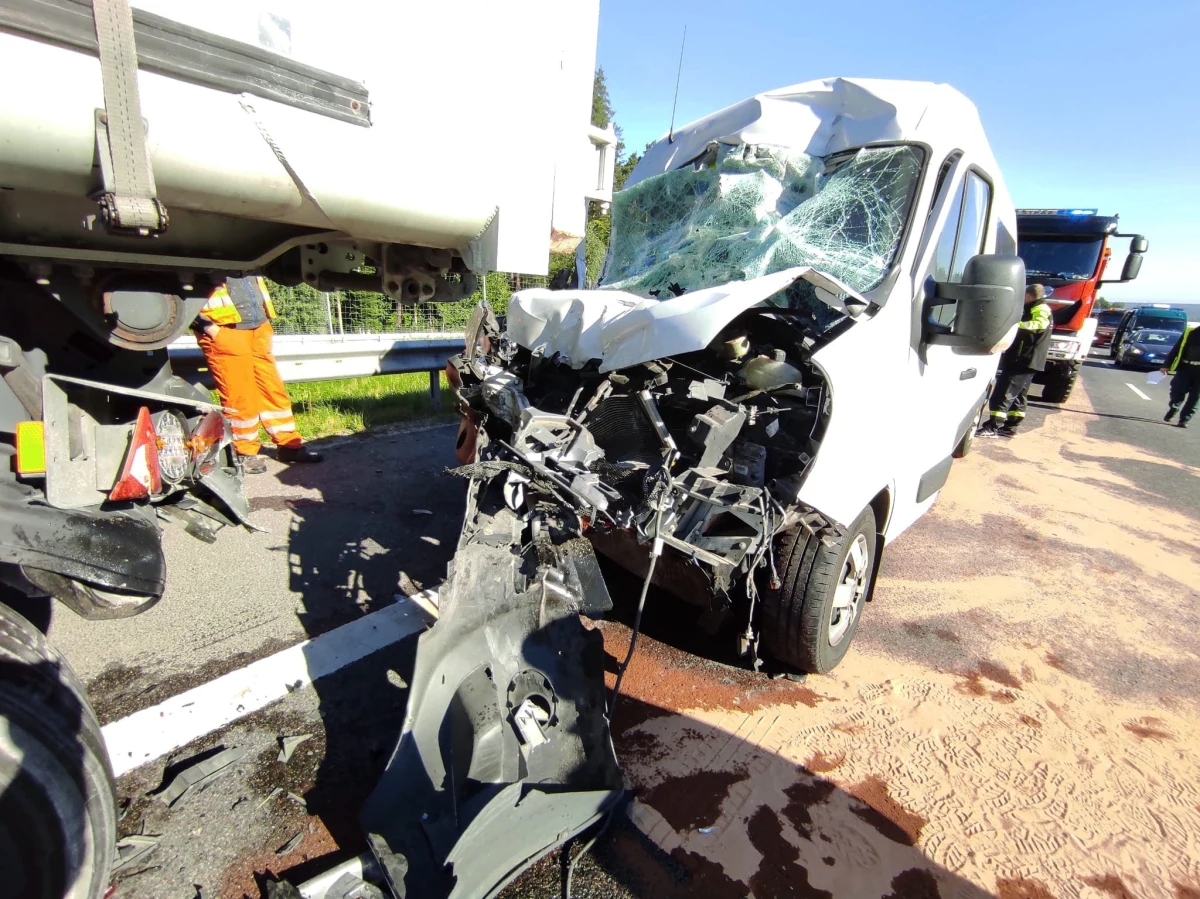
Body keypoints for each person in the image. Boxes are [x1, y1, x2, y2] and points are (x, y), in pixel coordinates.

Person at [193, 276, 322, 473]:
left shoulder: (246, 251)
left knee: (273, 391)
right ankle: (244, 453)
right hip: (226, 331)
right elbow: (179, 293)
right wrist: (208, 328)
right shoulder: (201, 249)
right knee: (240, 397)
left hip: (258, 327)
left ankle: (289, 446)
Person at [979, 284, 1053, 438]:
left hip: (1023, 359)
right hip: (1027, 360)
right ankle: (1010, 427)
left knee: (1004, 392)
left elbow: (1040, 325)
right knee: (1018, 395)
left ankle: (993, 427)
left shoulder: (1041, 308)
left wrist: (1014, 326)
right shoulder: (1038, 307)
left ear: (1028, 295)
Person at [1161, 324, 1200, 429]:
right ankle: (1174, 408)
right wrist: (1166, 365)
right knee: (1177, 390)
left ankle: (1184, 419)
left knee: (1195, 397)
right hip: (1185, 367)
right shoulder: (1190, 332)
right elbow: (1176, 349)